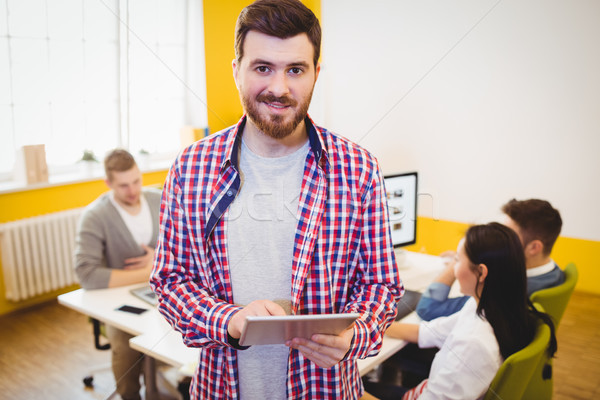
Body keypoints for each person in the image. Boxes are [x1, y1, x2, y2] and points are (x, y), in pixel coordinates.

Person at [150, 0, 403, 398]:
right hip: (222, 388)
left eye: (296, 70)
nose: (279, 88)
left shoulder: (358, 168)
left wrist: (355, 336)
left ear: (317, 74)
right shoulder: (191, 167)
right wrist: (229, 320)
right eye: (262, 67)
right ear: (236, 70)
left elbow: (381, 285)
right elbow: (169, 282)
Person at [364, 223, 558, 400]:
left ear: (481, 273)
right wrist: (368, 326)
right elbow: (429, 331)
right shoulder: (491, 307)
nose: (453, 267)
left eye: (456, 260)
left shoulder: (474, 343)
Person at [74, 149, 161, 400]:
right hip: (117, 303)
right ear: (108, 183)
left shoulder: (158, 199)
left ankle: (174, 384)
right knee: (125, 345)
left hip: (160, 292)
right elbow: (87, 275)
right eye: (123, 186)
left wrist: (157, 257)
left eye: (136, 181)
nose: (133, 191)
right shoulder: (95, 216)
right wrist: (149, 271)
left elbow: (186, 244)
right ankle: (130, 394)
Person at [416, 198, 565, 321]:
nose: (498, 238)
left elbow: (428, 309)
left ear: (534, 248)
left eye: (508, 235)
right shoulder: (555, 273)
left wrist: (459, 258)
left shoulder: (504, 291)